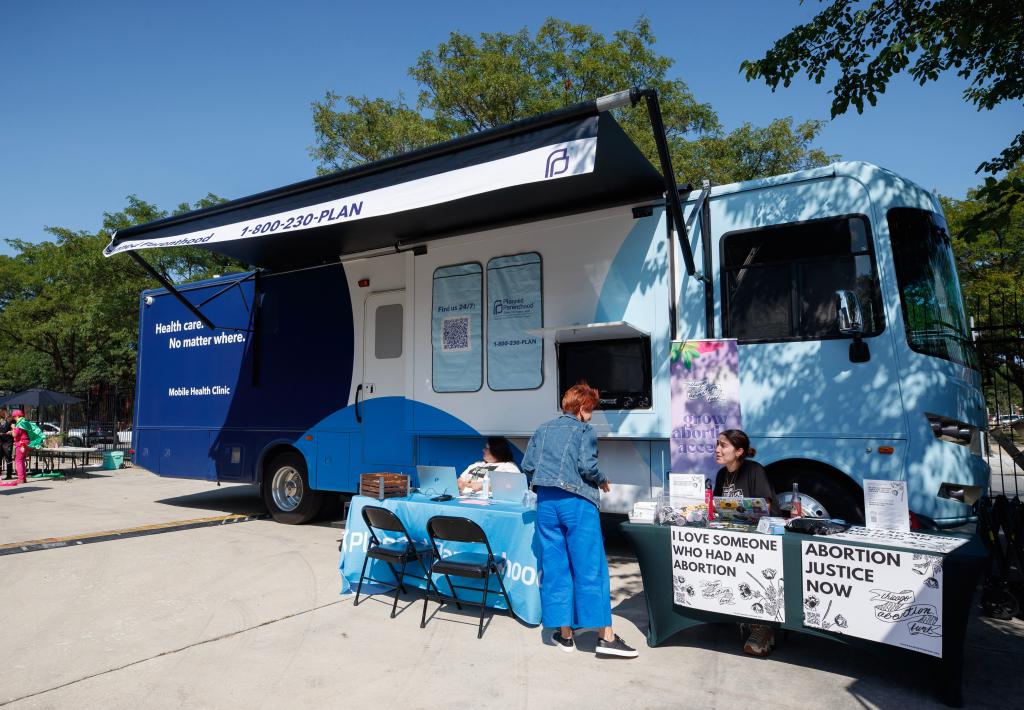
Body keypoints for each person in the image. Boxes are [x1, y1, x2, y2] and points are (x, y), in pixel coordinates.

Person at [521, 382, 637, 658]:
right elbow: (587, 467)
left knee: (556, 568)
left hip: (546, 505)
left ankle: (565, 635)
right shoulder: (584, 430)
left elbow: (527, 465)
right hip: (576, 504)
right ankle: (605, 638)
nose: (591, 415)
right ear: (583, 407)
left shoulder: (543, 428)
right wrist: (603, 481)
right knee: (591, 568)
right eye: (591, 410)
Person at [712, 429, 776, 657]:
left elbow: (766, 507)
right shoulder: (721, 475)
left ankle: (763, 627)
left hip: (758, 540)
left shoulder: (754, 470)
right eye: (717, 445)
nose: (717, 450)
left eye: (723, 446)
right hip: (732, 536)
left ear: (739, 452)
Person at [1, 409, 30, 487]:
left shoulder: (19, 423)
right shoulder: (24, 422)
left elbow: (15, 435)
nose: (14, 418)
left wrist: (13, 428)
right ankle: (23, 478)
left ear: (17, 416)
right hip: (25, 443)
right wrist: (11, 431)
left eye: (14, 417)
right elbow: (19, 433)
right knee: (22, 460)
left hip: (21, 444)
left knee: (18, 461)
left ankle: (21, 478)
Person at [0, 409, 13, 480]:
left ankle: (9, 475)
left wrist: (11, 431)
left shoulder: (11, 421)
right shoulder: (1, 421)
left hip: (8, 442)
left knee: (8, 458)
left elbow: (15, 429)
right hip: (1, 441)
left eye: (3, 412)